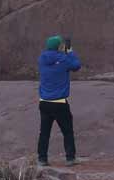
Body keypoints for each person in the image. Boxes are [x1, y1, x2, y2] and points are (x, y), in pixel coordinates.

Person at [37, 35, 81, 167]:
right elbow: (77, 65)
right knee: (67, 131)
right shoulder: (64, 59)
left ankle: (42, 159)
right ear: (58, 46)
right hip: (60, 102)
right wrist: (70, 51)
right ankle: (70, 158)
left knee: (44, 133)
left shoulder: (41, 59)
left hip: (44, 102)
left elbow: (53, 58)